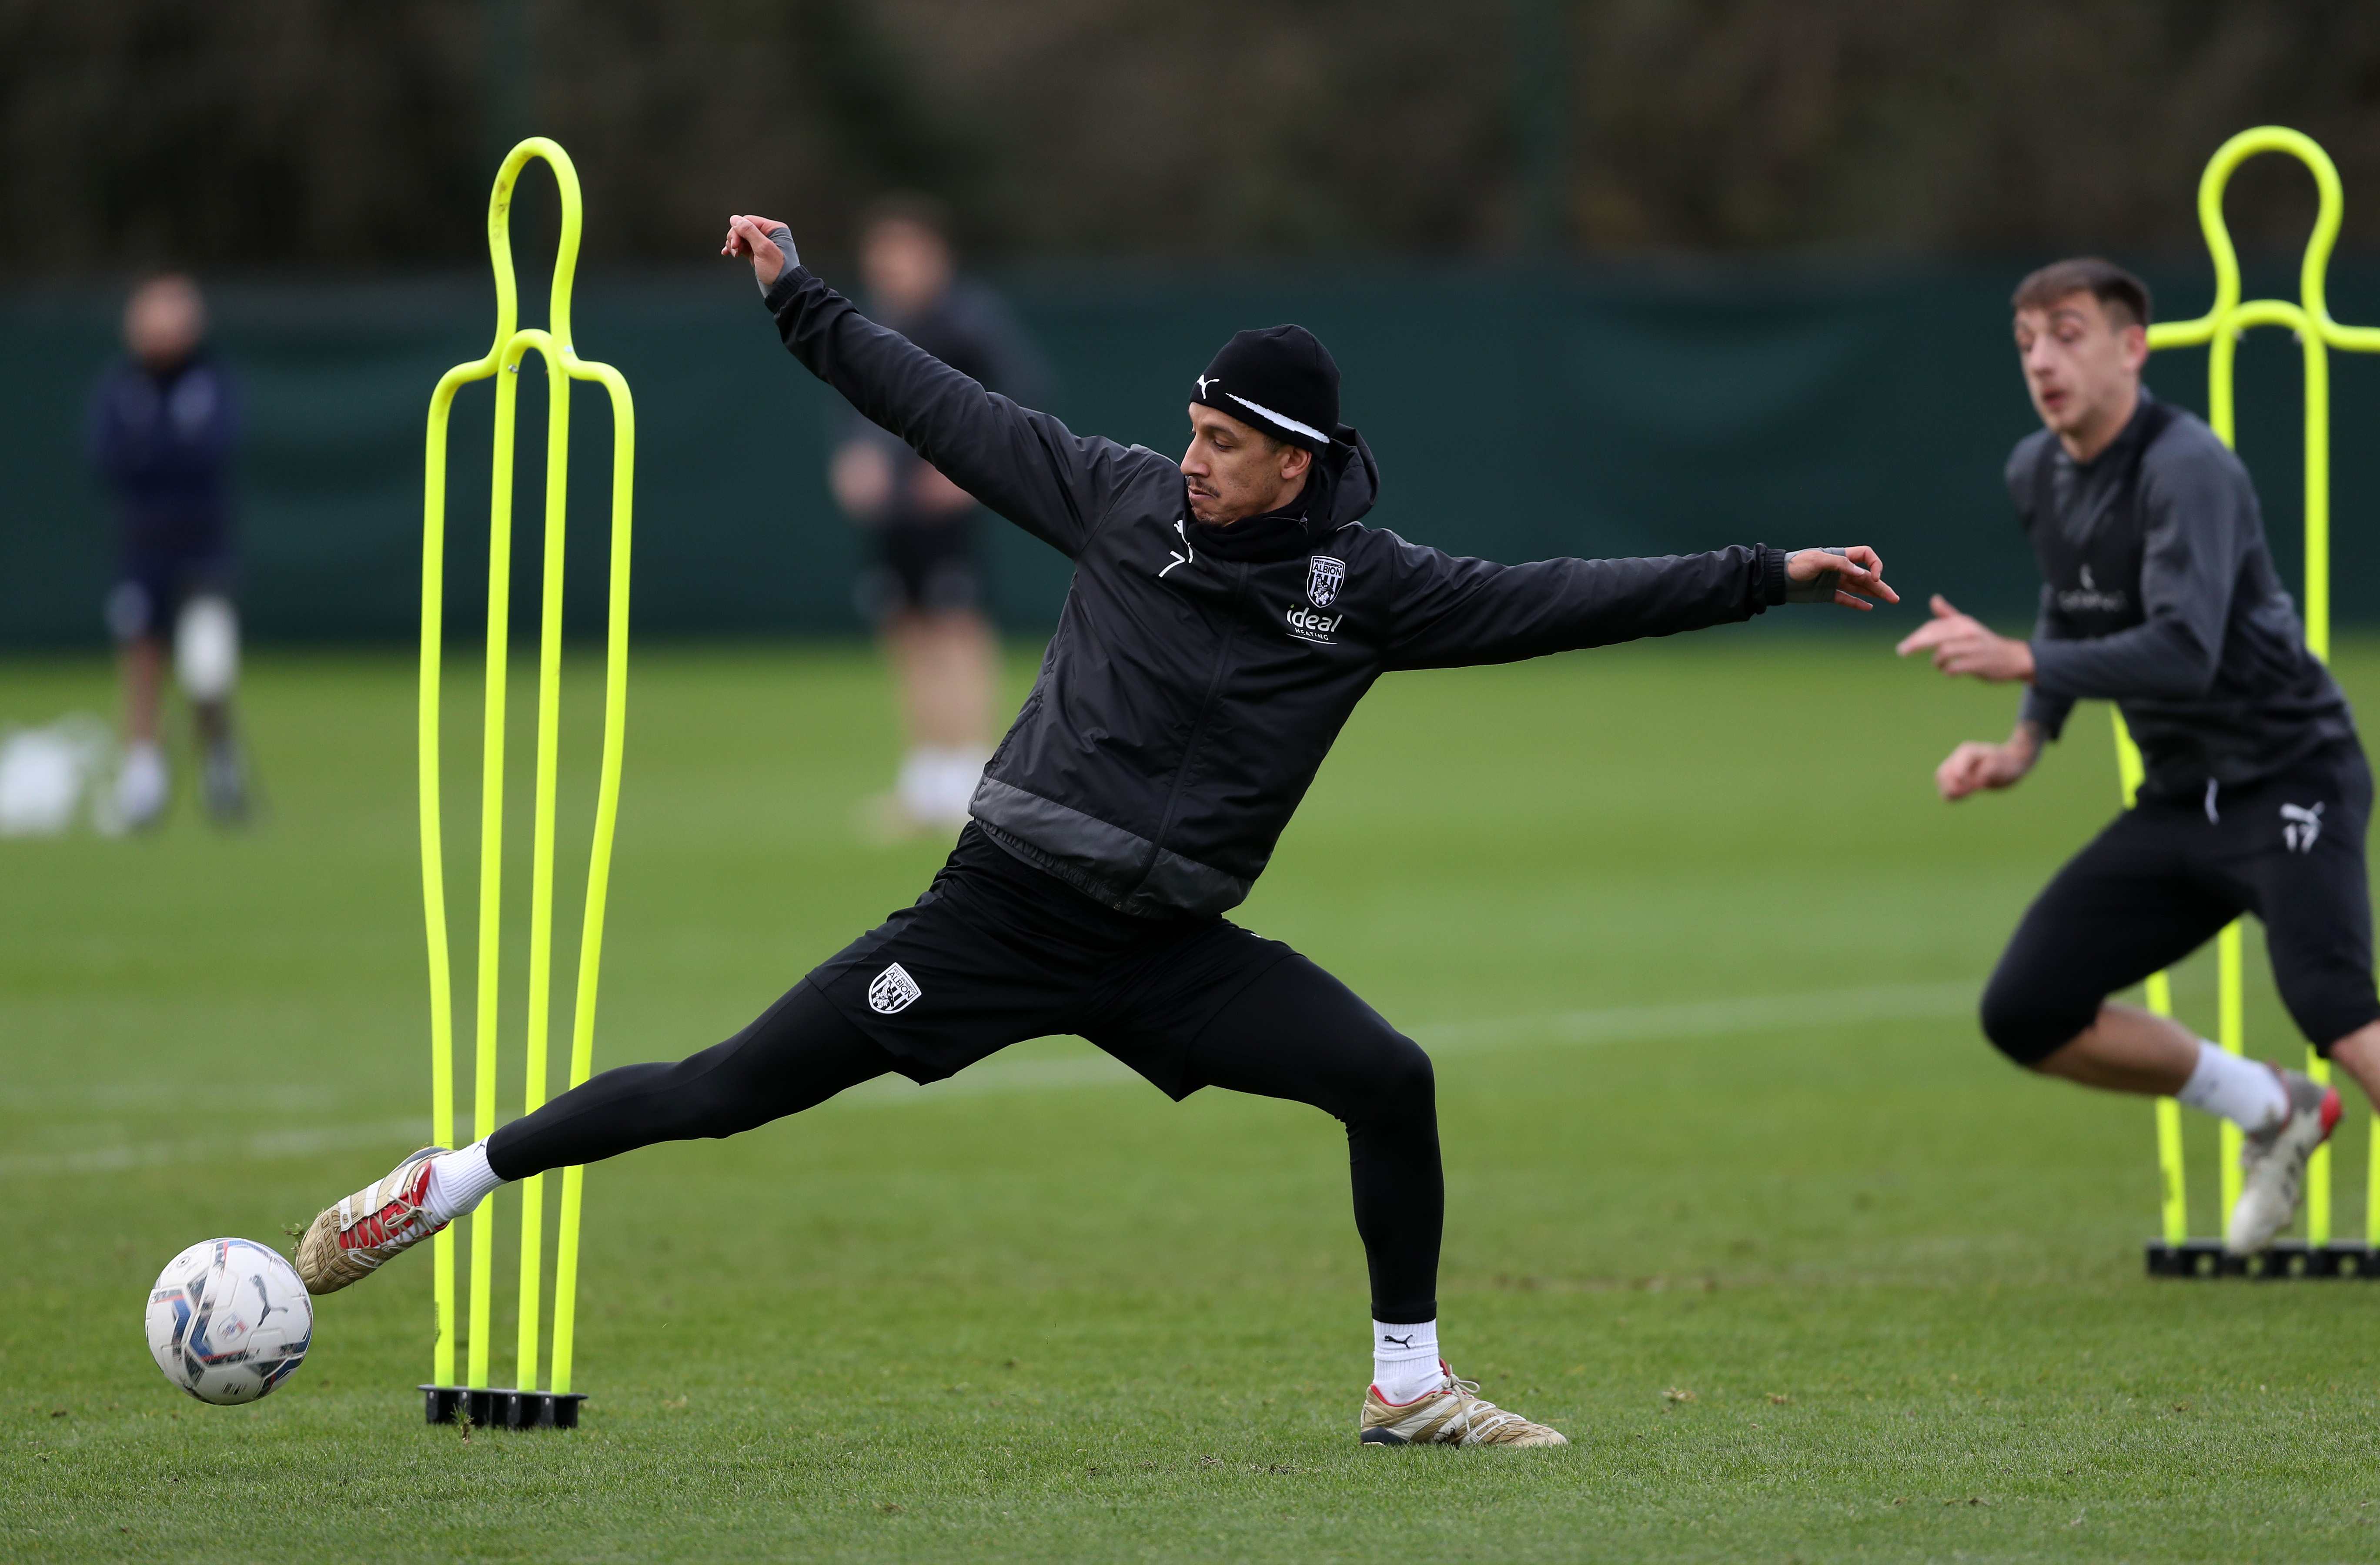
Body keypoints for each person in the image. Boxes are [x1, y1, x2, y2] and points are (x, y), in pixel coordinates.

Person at [293, 211, 1897, 1449]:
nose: (1188, 458)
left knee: (1385, 1078)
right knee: (722, 1090)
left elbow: (1565, 599)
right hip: (994, 917)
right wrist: (800, 297)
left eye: (1220, 443)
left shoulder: (1372, 588)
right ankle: (443, 1183)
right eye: (1189, 431)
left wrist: (1768, 571)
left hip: (1166, 953)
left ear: (1299, 462)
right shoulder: (1119, 495)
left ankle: (1404, 1384)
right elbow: (938, 406)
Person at [1898, 257, 2378, 1255]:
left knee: (2332, 1006)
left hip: (2290, 773)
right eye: (2025, 340)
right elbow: (2069, 604)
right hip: (2179, 800)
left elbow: (2181, 649)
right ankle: (2270, 1106)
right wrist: (2024, 742)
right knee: (2025, 1010)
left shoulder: (2185, 465)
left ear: (2131, 345)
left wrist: (2023, 659)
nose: (2041, 359)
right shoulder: (2035, 469)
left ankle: (2304, 1080)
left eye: (2066, 333)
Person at [829, 196, 1050, 833]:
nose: (890, 267)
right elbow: (851, 404)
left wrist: (971, 474)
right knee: (904, 627)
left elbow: (1023, 393)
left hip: (944, 510)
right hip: (892, 511)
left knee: (957, 631)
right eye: (881, 255)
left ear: (934, 255)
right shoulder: (874, 324)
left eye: (902, 253)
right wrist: (854, 459)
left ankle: (979, 782)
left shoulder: (970, 322)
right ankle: (926, 783)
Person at [88, 273, 248, 828]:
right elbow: (107, 456)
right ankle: (143, 776)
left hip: (203, 549)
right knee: (142, 657)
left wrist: (154, 454)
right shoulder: (122, 387)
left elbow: (212, 450)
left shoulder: (209, 381)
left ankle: (221, 767)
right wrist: (163, 453)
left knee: (208, 669)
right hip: (142, 548)